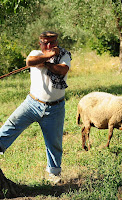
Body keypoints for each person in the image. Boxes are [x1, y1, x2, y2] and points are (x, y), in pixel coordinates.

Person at [0, 31, 71, 184]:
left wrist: (45, 63)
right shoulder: (36, 53)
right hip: (32, 104)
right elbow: (30, 62)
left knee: (54, 142)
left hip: (55, 108)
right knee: (10, 126)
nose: (49, 45)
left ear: (57, 42)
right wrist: (48, 57)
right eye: (45, 43)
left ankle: (54, 174)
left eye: (52, 42)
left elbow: (62, 70)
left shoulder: (65, 55)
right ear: (40, 43)